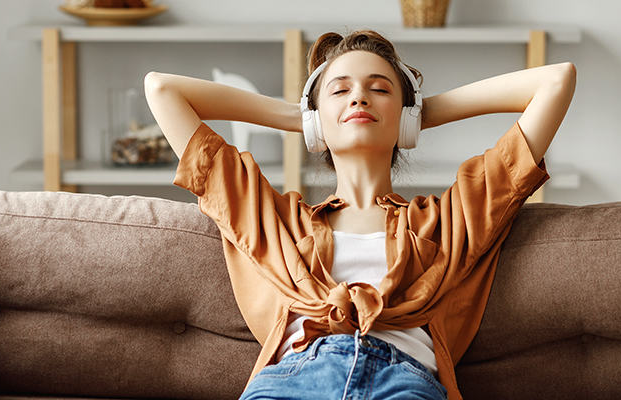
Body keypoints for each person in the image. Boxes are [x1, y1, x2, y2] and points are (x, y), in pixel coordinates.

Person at [144, 29, 575, 400]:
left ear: (406, 116)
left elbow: (555, 81)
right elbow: (163, 90)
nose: (359, 97)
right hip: (292, 382)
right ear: (316, 120)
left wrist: (419, 115)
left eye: (380, 88)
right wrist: (302, 118)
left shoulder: (448, 221)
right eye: (339, 89)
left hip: (403, 381)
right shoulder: (274, 221)